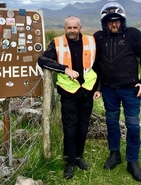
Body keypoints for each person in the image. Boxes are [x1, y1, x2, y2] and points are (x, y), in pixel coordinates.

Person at [92, 2, 141, 182]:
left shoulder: (133, 34)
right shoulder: (98, 37)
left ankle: (132, 161)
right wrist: (98, 87)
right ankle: (115, 154)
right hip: (109, 90)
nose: (114, 24)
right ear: (104, 23)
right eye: (110, 21)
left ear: (122, 21)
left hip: (130, 90)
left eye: (117, 20)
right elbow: (96, 64)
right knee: (111, 123)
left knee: (133, 126)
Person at [38, 16, 101, 179]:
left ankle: (79, 156)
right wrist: (64, 69)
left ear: (80, 28)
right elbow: (42, 60)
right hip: (68, 92)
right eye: (69, 28)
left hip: (87, 90)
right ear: (64, 29)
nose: (72, 31)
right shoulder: (57, 43)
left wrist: (98, 88)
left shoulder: (91, 41)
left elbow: (99, 65)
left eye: (75, 27)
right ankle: (69, 162)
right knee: (70, 128)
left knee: (83, 126)